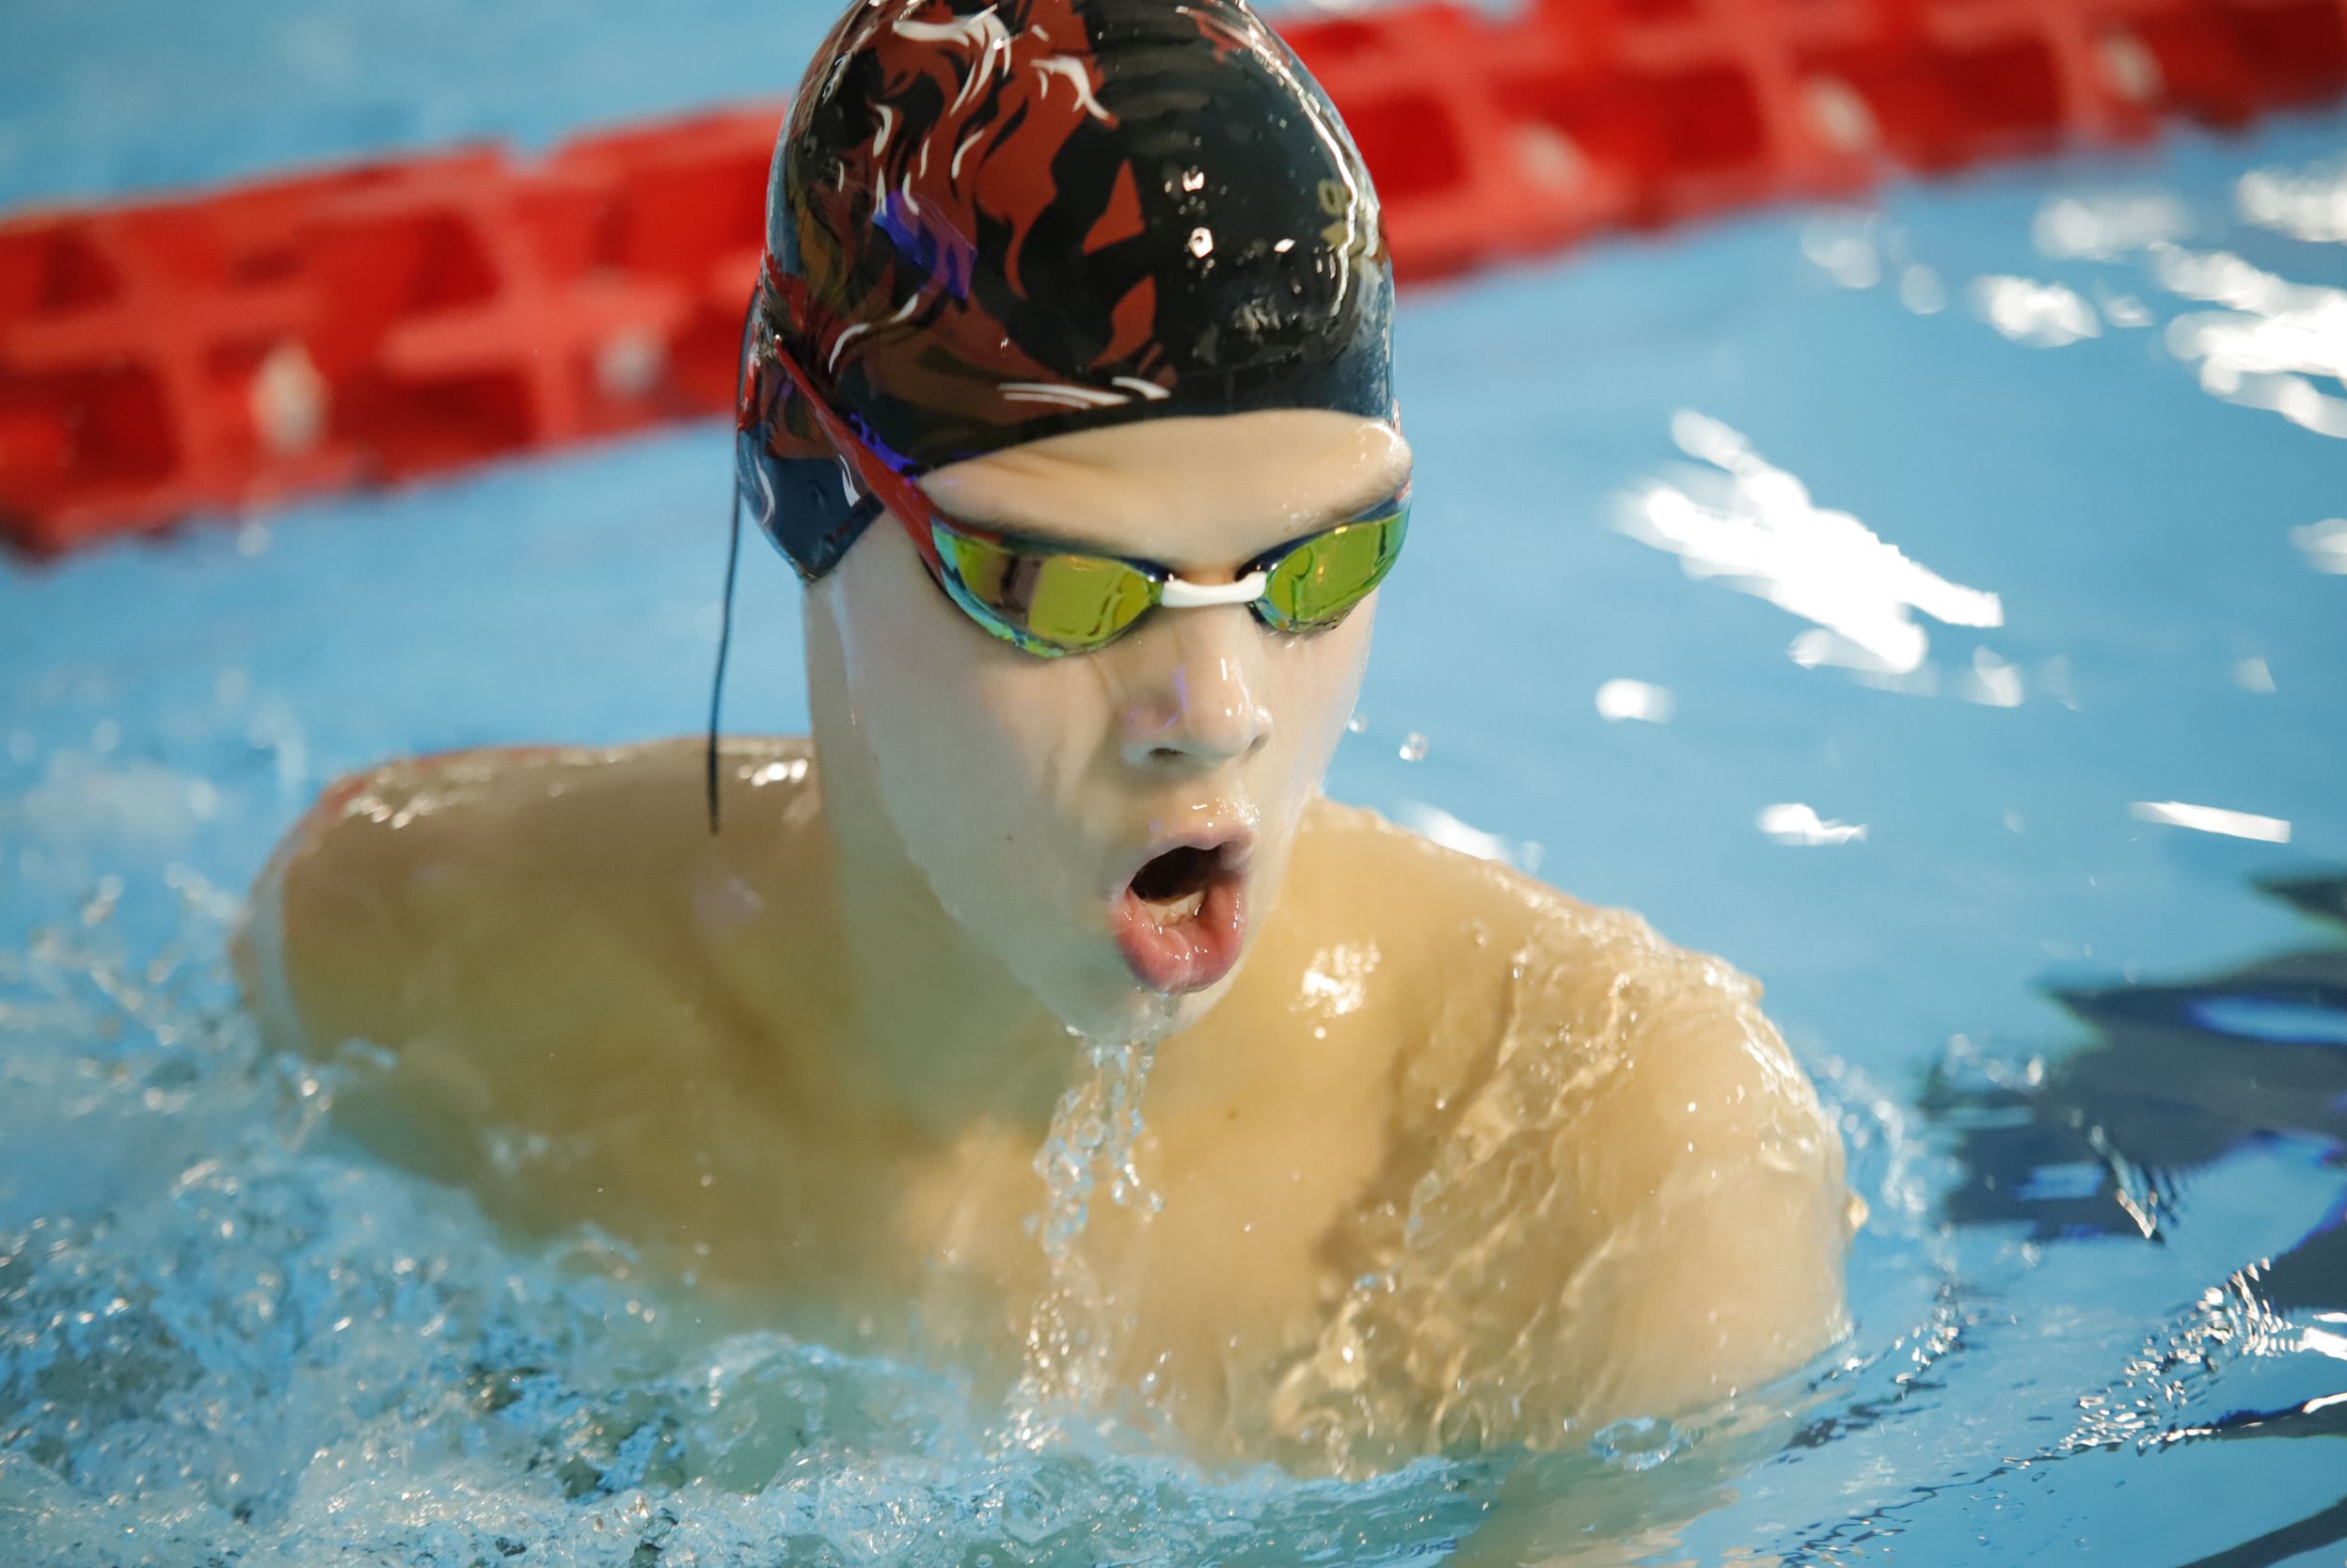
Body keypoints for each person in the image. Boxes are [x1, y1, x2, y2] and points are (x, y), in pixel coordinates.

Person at [236, 0, 1860, 1475]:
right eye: (1059, 587)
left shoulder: (1610, 1174)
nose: (1217, 711)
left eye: (1319, 567)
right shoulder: (413, 955)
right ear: (805, 470)